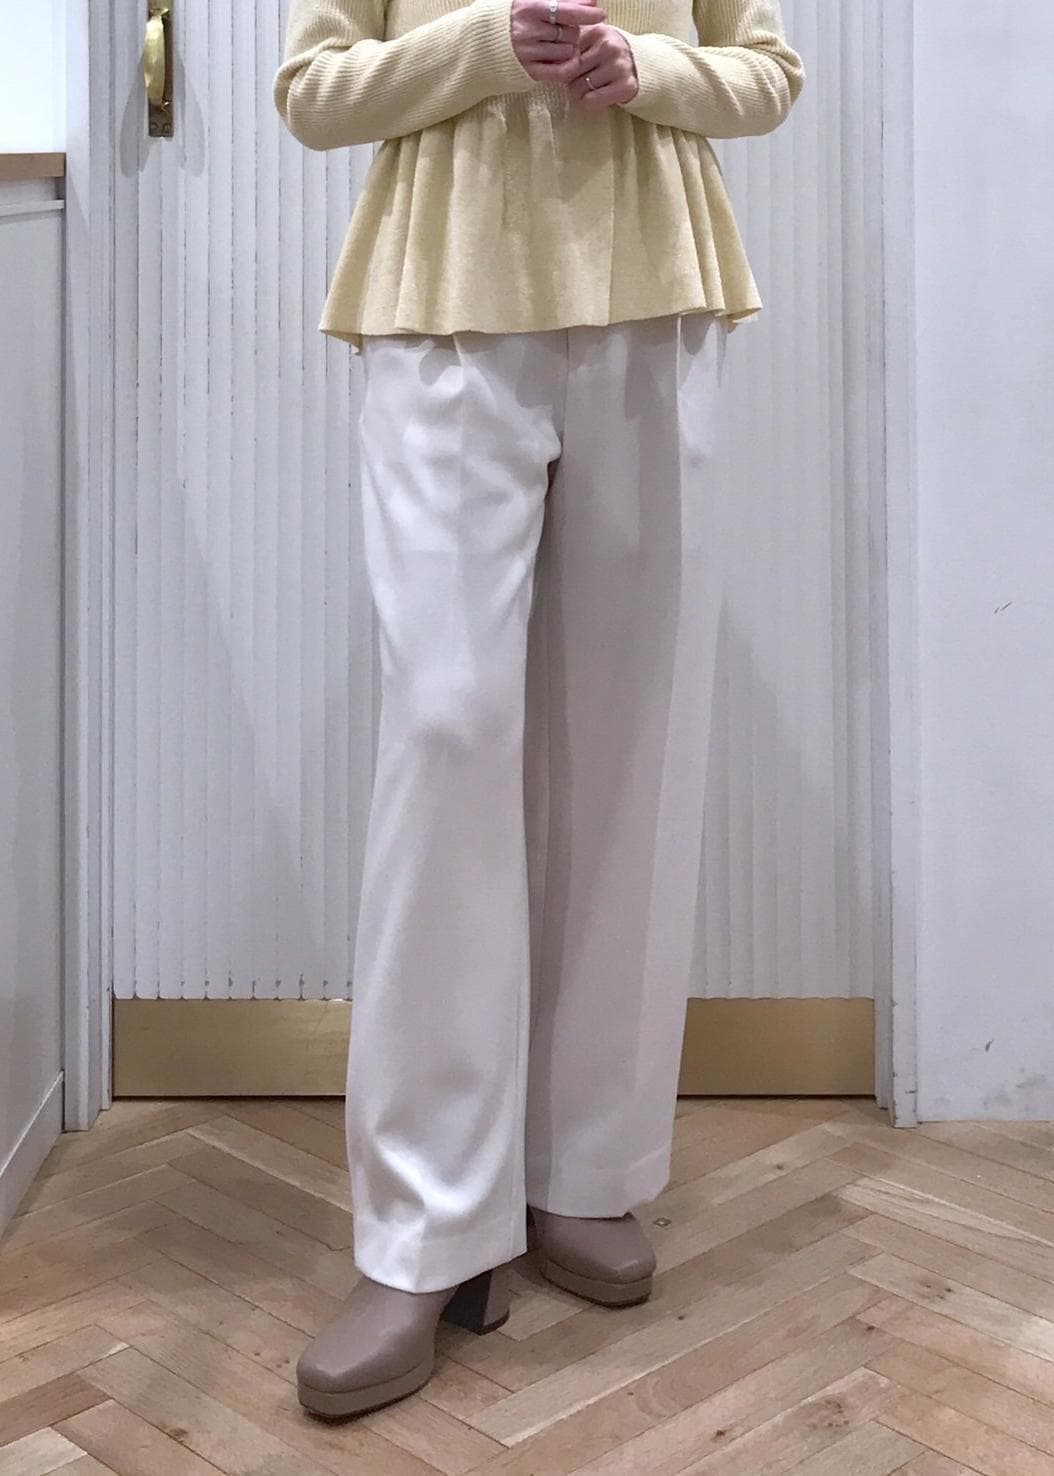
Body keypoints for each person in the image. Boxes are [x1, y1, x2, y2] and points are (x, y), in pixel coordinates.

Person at [274, 0, 804, 1421]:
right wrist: (481, 47)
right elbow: (313, 94)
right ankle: (422, 1232)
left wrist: (650, 67)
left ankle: (586, 1164)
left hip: (656, 301)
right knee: (447, 729)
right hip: (441, 307)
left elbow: (767, 74)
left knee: (633, 742)